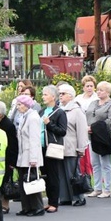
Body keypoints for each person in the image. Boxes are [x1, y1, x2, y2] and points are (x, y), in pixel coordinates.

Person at [57, 85, 89, 207]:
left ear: (70, 95)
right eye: (60, 93)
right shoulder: (59, 109)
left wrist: (81, 148)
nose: (60, 95)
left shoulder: (76, 110)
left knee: (73, 173)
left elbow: (81, 131)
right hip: (60, 147)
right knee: (62, 173)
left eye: (63, 93)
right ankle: (65, 197)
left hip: (72, 146)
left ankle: (79, 197)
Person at [86, 81, 111, 198]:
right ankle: (97, 188)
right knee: (95, 163)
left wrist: (94, 128)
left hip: (104, 137)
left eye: (101, 90)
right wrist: (87, 127)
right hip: (92, 136)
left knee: (105, 163)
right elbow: (88, 115)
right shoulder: (93, 102)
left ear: (108, 92)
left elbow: (110, 121)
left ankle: (108, 189)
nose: (98, 92)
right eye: (98, 90)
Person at [14, 95, 45, 217]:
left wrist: (33, 158)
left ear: (26, 105)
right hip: (23, 154)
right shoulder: (24, 116)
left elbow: (34, 139)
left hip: (30, 154)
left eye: (20, 104)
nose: (18, 107)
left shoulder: (33, 117)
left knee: (32, 181)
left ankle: (37, 207)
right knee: (23, 181)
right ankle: (26, 207)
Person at [39, 85, 67, 213]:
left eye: (45, 94)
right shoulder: (41, 111)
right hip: (41, 147)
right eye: (43, 94)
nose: (43, 97)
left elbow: (62, 131)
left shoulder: (59, 112)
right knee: (45, 175)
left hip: (52, 147)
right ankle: (49, 200)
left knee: (53, 175)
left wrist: (49, 124)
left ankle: (54, 202)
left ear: (53, 97)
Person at [0, 101, 17, 214]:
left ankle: (5, 205)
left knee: (5, 182)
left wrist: (12, 161)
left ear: (1, 113)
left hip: (6, 158)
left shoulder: (8, 125)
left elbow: (12, 144)